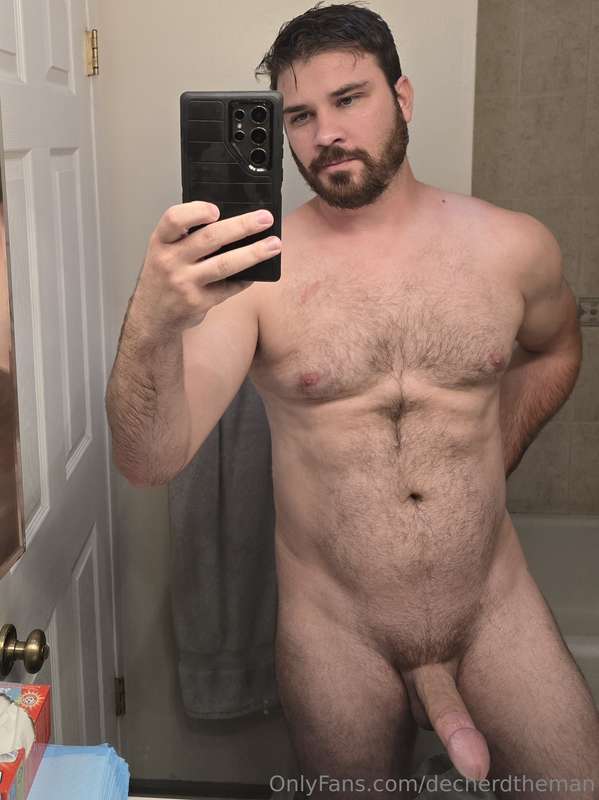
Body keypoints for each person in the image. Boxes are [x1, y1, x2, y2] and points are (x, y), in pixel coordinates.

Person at [105, 3, 599, 798]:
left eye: (348, 98)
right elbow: (147, 460)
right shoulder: (255, 276)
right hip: (336, 630)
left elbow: (557, 347)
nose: (324, 133)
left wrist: (492, 457)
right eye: (299, 115)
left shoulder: (512, 247)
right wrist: (152, 318)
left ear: (401, 97)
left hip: (493, 605)